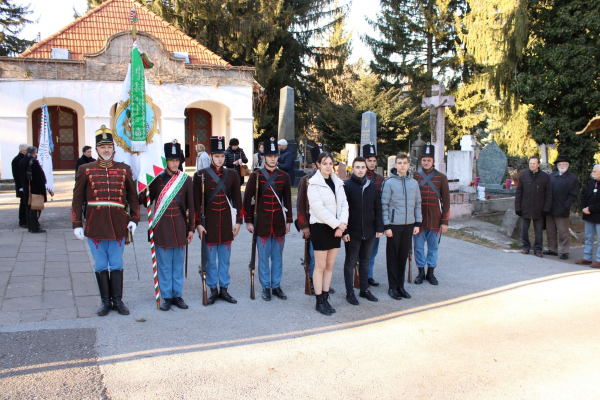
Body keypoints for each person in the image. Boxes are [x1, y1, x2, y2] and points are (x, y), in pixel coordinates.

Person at [71, 125, 139, 316]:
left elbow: (133, 197)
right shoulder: (85, 169)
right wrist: (77, 224)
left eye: (109, 146)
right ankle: (105, 302)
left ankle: (117, 301)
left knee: (116, 263)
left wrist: (134, 218)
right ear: (97, 149)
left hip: (118, 225)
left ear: (113, 149)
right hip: (95, 225)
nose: (106, 150)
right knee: (101, 264)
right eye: (102, 147)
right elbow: (77, 199)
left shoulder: (124, 169)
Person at [141, 141, 195, 311]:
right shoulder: (156, 179)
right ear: (165, 161)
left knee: (178, 264)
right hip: (162, 228)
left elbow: (191, 206)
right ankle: (166, 296)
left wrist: (191, 228)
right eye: (171, 160)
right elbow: (145, 202)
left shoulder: (186, 180)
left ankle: (177, 295)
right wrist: (144, 186)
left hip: (180, 228)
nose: (174, 163)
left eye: (177, 160)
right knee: (164, 265)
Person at [194, 136, 244, 305]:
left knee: (225, 259)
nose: (220, 159)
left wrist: (238, 222)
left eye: (222, 156)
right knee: (210, 260)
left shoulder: (232, 175)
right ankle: (213, 289)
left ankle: (224, 289)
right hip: (208, 224)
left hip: (226, 224)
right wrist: (198, 224)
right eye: (216, 156)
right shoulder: (200, 175)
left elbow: (238, 199)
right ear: (211, 156)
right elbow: (196, 203)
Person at [243, 137, 293, 301]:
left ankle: (276, 285)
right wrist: (249, 221)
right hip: (262, 223)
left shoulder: (284, 176)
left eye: (275, 156)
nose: (273, 158)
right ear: (264, 157)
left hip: (278, 222)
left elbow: (287, 200)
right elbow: (247, 199)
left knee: (278, 257)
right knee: (263, 258)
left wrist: (288, 221)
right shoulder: (256, 176)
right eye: (270, 156)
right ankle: (266, 287)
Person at [307, 152, 348, 315]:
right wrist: (338, 224)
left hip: (336, 229)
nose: (328, 166)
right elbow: (318, 209)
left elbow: (344, 205)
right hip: (321, 228)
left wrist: (342, 225)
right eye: (325, 163)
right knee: (320, 266)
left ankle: (325, 297)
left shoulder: (338, 182)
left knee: (330, 266)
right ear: (318, 165)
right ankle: (319, 301)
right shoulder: (314, 184)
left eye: (331, 163)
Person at [342, 157, 383, 305]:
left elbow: (377, 208)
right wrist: (344, 230)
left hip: (369, 231)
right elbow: (342, 210)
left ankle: (364, 289)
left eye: (362, 167)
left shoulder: (371, 186)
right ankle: (350, 292)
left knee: (365, 261)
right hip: (352, 232)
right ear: (352, 169)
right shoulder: (346, 186)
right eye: (357, 167)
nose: (360, 170)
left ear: (366, 169)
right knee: (351, 262)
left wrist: (379, 227)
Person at [382, 153, 422, 300]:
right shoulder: (389, 183)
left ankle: (400, 286)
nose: (402, 165)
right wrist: (386, 226)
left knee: (403, 256)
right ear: (395, 165)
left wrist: (417, 223)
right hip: (394, 225)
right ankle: (392, 287)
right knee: (392, 257)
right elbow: (384, 205)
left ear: (408, 165)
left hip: (408, 225)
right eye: (399, 163)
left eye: (405, 163)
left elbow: (418, 204)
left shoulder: (414, 183)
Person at [296, 143, 335, 294]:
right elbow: (300, 206)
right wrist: (304, 226)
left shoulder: (332, 180)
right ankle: (313, 282)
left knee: (327, 258)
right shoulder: (306, 181)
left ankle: (324, 283)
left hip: (330, 225)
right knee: (313, 257)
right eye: (321, 163)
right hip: (314, 225)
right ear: (315, 164)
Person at [413, 143, 450, 285]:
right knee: (418, 247)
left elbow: (446, 202)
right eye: (424, 160)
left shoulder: (441, 177)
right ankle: (421, 272)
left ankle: (431, 273)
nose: (426, 162)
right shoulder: (415, 176)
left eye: (429, 160)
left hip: (435, 219)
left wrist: (444, 222)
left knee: (433, 248)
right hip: (419, 220)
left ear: (433, 161)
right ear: (421, 161)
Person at [543, 155, 579, 259]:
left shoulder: (572, 178)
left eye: (564, 164)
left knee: (563, 233)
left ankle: (565, 251)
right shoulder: (552, 176)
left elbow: (573, 195)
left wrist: (566, 205)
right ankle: (552, 249)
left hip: (562, 210)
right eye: (560, 164)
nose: (562, 166)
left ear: (568, 165)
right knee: (551, 231)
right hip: (550, 209)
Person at [515, 156, 552, 258]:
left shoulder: (545, 177)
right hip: (525, 208)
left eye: (534, 164)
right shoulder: (523, 176)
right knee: (524, 229)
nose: (532, 165)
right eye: (530, 163)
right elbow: (519, 193)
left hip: (539, 209)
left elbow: (548, 195)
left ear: (538, 165)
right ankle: (526, 247)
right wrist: (517, 207)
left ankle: (538, 249)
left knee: (538, 231)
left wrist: (546, 209)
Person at [363, 142, 386, 287]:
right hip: (360, 220)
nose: (371, 163)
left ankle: (369, 275)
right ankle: (360, 276)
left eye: (373, 161)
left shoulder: (380, 179)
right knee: (360, 252)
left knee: (373, 251)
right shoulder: (359, 177)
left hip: (374, 220)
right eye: (369, 160)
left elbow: (382, 203)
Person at [576, 164, 600, 268]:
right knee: (588, 237)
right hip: (589, 215)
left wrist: (590, 208)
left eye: (595, 172)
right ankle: (587, 257)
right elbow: (585, 196)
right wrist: (583, 207)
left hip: (598, 215)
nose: (592, 173)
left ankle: (599, 259)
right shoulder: (592, 183)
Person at [19, 146, 47, 233]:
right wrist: (43, 190)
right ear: (34, 153)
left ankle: (30, 226)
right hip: (34, 188)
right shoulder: (33, 162)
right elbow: (38, 178)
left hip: (26, 187)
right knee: (35, 208)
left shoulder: (22, 161)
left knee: (28, 207)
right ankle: (35, 227)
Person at [12, 143, 27, 227]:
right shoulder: (17, 160)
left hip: (24, 185)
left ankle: (25, 220)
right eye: (26, 150)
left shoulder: (22, 158)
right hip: (21, 186)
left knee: (25, 203)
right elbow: (17, 175)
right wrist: (21, 186)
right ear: (22, 150)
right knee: (23, 203)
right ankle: (22, 221)